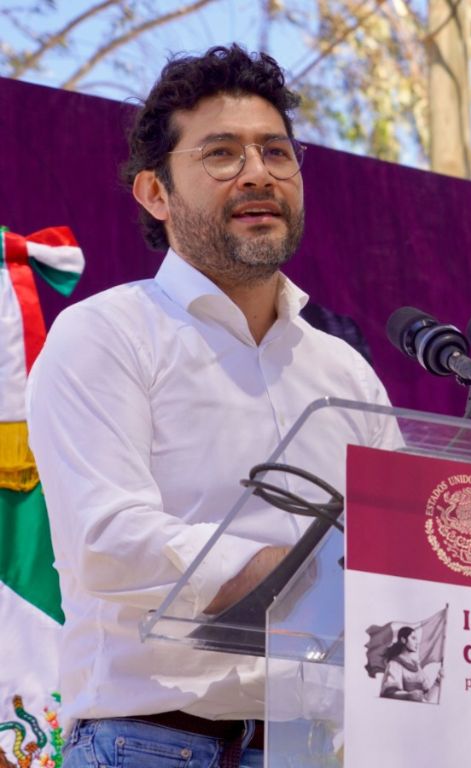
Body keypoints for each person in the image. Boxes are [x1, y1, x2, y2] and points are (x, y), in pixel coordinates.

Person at [26, 44, 395, 767]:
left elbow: (397, 560)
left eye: (276, 152)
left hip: (316, 751)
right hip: (152, 743)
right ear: (155, 194)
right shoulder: (106, 334)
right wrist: (298, 576)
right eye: (222, 154)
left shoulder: (346, 373)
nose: (258, 173)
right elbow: (109, 539)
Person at [379, 627, 443, 703]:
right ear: (403, 640)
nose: (417, 642)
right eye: (413, 638)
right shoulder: (394, 663)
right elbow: (389, 692)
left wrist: (438, 681)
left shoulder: (417, 666)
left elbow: (427, 697)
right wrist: (408, 695)